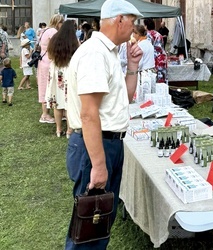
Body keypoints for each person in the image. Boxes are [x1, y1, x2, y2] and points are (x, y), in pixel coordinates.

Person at [64, 0, 143, 248]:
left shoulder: (107, 51)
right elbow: (89, 114)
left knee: (98, 224)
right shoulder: (95, 53)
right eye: (132, 21)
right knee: (89, 226)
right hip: (97, 146)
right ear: (119, 19)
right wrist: (98, 166)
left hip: (108, 143)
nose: (134, 27)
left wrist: (132, 67)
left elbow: (124, 100)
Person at [46, 20, 80, 138]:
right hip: (69, 71)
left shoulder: (54, 39)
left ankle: (58, 129)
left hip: (56, 71)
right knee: (69, 101)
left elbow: (50, 56)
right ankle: (69, 130)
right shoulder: (75, 42)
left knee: (57, 102)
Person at [36, 14, 64, 124]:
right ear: (58, 22)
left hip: (42, 61)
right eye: (62, 22)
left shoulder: (44, 30)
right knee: (49, 86)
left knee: (44, 85)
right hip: (49, 62)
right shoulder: (53, 32)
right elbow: (57, 46)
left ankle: (46, 113)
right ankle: (45, 114)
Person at [143, 18, 167, 83]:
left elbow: (148, 48)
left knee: (155, 79)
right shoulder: (158, 34)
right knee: (162, 78)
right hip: (162, 57)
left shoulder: (148, 35)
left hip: (155, 58)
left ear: (146, 26)